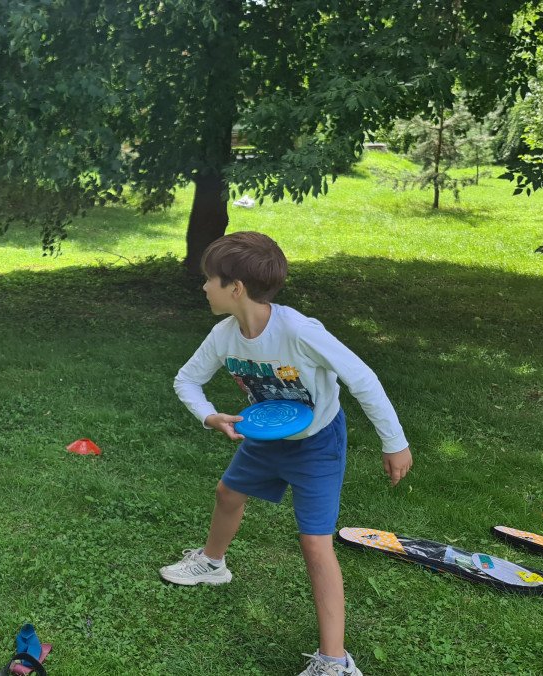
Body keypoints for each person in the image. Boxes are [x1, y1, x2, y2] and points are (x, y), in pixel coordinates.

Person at [161, 231, 413, 676]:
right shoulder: (224, 335)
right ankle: (212, 563)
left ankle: (335, 662)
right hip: (264, 438)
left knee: (315, 543)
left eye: (210, 279)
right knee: (227, 493)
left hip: (317, 443)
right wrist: (210, 416)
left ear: (236, 287)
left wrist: (394, 442)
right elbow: (187, 380)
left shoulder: (298, 331)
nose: (203, 287)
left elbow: (362, 378)